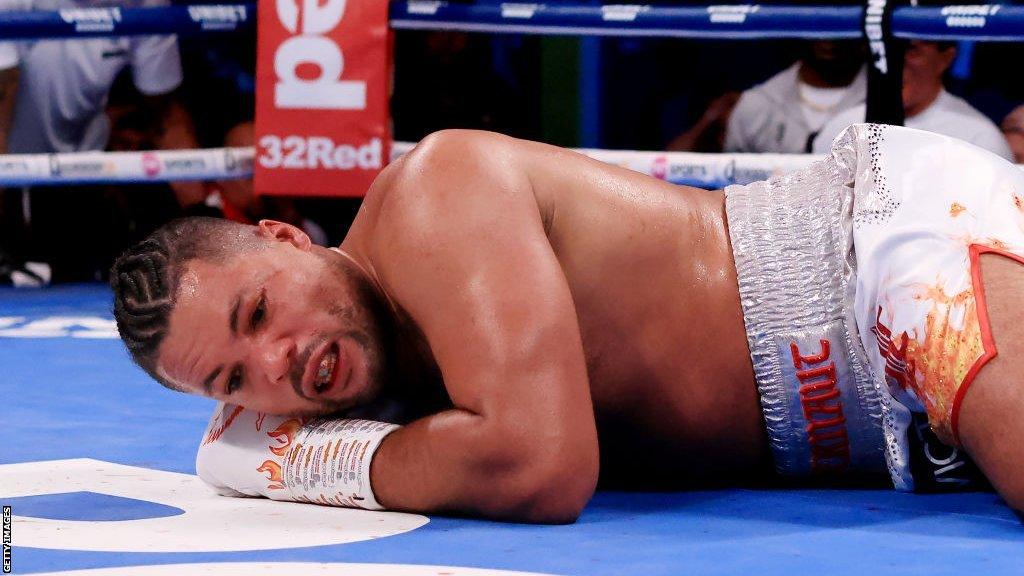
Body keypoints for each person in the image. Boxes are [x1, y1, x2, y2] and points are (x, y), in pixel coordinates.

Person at [110, 125, 1024, 523]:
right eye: (234, 381)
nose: (279, 362)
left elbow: (538, 463)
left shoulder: (434, 198)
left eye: (260, 310)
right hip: (875, 413)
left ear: (285, 236)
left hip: (873, 261)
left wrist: (296, 464)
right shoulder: (390, 386)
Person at [0, 0, 201, 281]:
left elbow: (164, 114)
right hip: (18, 174)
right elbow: (1, 103)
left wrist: (204, 214)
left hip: (88, 169)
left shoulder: (147, 4)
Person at [813, 41, 1012, 160]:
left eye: (912, 50)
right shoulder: (839, 129)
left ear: (945, 58)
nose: (895, 63)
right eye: (889, 48)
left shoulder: (980, 140)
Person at [724, 40, 866, 153]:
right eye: (817, 15)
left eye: (838, 16)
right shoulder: (757, 103)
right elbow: (729, 178)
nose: (828, 37)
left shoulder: (885, 102)